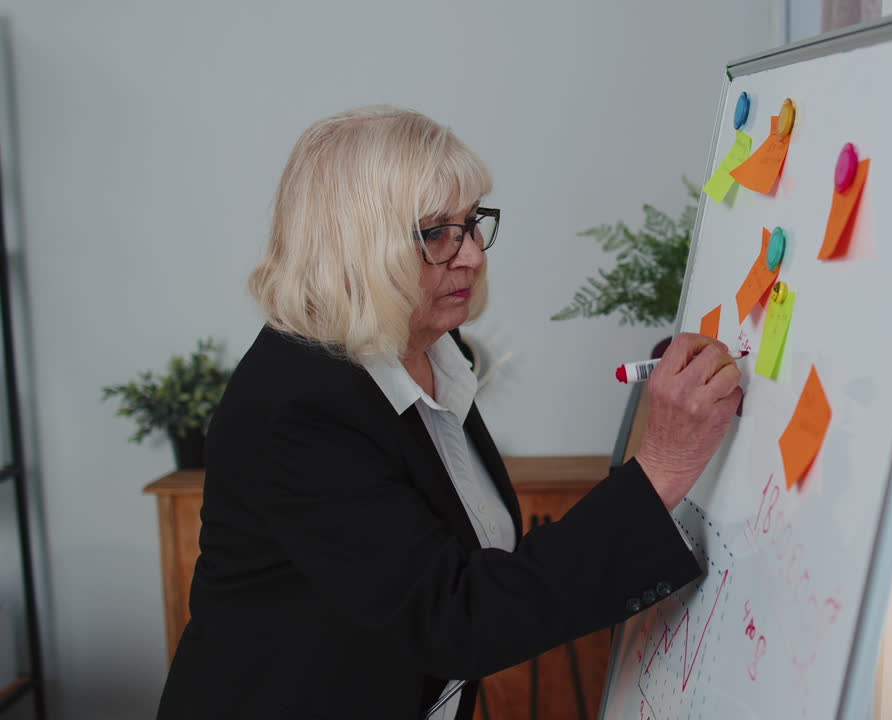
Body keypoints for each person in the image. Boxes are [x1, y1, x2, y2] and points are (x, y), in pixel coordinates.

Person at [156, 105, 743, 720]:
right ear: (353, 248)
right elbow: (454, 618)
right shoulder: (298, 405)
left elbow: (469, 573)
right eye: (435, 232)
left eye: (471, 223)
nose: (472, 255)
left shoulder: (431, 348)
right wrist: (661, 468)